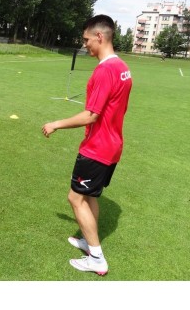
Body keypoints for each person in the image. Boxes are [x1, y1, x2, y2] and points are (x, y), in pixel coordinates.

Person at [41, 14, 132, 276]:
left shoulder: (105, 71)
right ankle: (87, 239)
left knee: (75, 198)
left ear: (99, 36)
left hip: (97, 148)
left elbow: (91, 114)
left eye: (86, 39)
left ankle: (97, 259)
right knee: (89, 196)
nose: (85, 45)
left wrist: (56, 123)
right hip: (113, 145)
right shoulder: (123, 68)